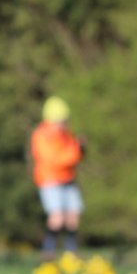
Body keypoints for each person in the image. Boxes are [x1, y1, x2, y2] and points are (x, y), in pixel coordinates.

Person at [30, 96, 85, 253]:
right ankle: (48, 253)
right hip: (50, 180)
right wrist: (76, 151)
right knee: (57, 217)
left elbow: (72, 155)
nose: (64, 124)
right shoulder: (41, 135)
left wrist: (80, 149)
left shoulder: (66, 134)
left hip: (68, 179)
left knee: (73, 216)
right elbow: (55, 159)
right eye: (61, 121)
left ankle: (72, 254)